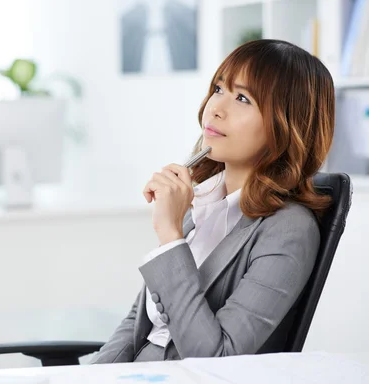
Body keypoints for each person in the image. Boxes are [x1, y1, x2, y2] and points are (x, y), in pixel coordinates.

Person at [91, 39, 335, 363]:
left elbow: (216, 359)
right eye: (219, 88)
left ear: (287, 125)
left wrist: (170, 237)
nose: (215, 107)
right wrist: (90, 375)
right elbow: (140, 327)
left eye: (243, 98)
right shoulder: (203, 200)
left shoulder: (289, 231)